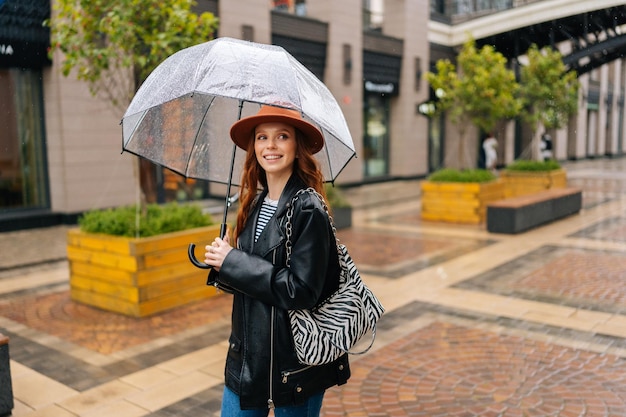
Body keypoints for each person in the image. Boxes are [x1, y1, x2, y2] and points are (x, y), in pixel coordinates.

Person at [203, 105, 350, 416]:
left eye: (282, 136)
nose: (270, 146)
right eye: (261, 137)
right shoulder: (253, 203)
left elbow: (301, 290)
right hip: (248, 360)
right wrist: (223, 264)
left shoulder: (308, 208)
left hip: (295, 366)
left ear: (297, 148)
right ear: (253, 147)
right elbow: (254, 284)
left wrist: (236, 262)